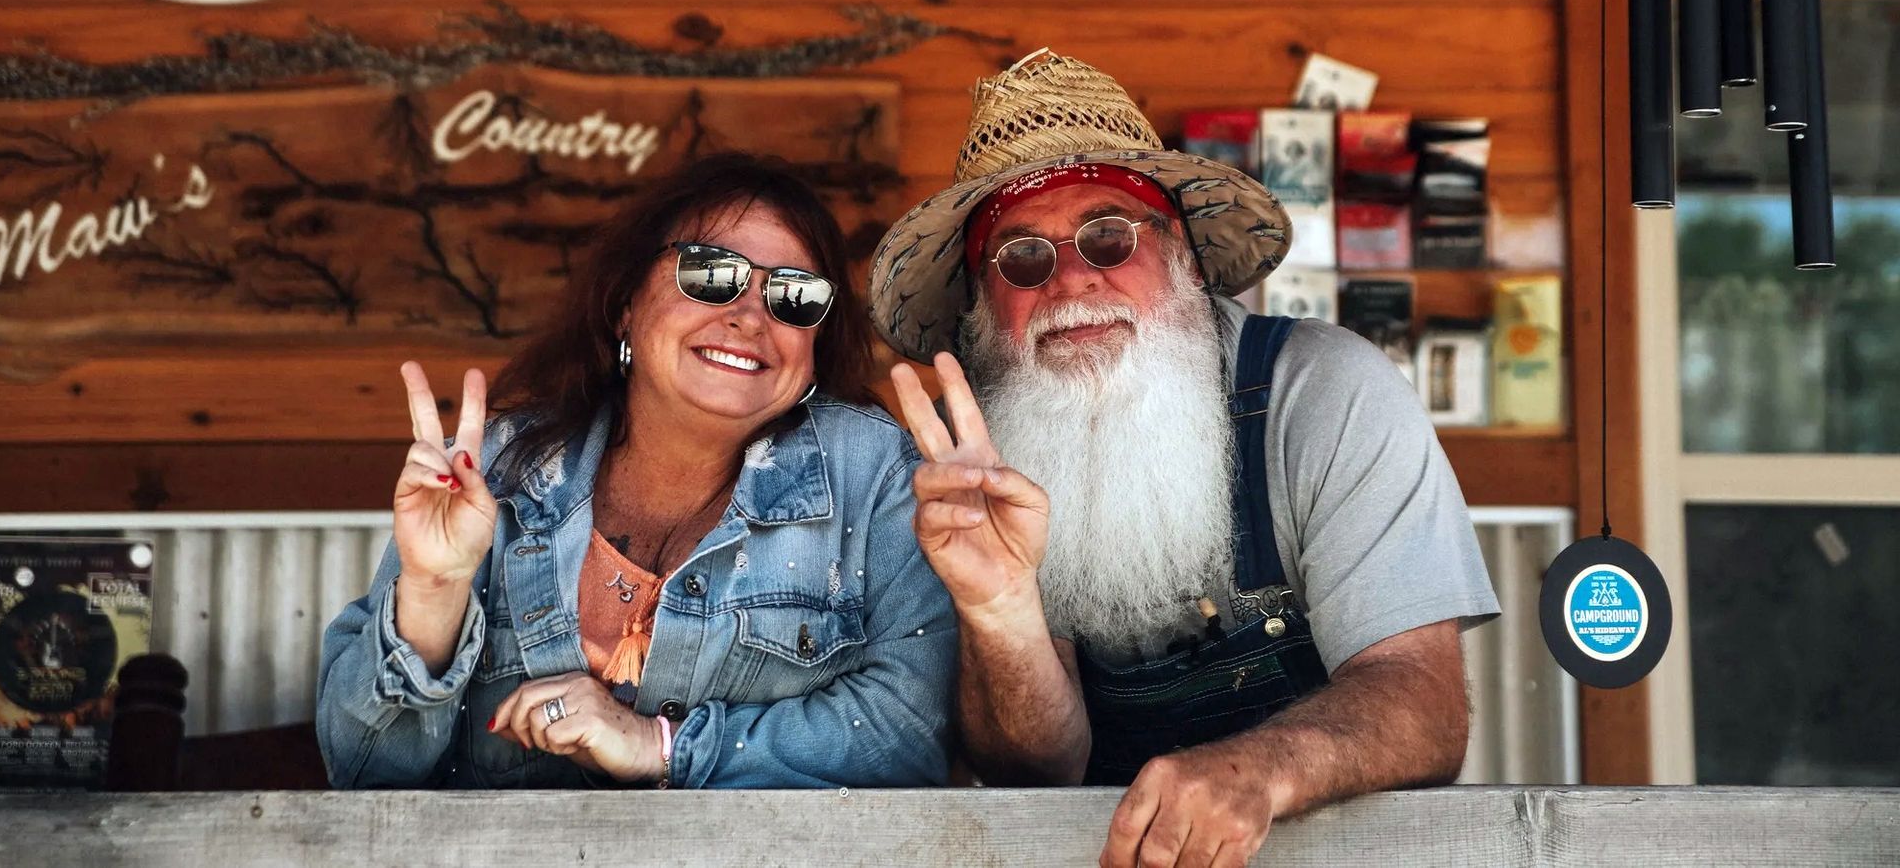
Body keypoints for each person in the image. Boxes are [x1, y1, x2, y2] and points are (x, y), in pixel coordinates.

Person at [872, 51, 1499, 866]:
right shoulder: (987, 454)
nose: (1069, 283)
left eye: (1107, 237)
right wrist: (1002, 613)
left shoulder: (1325, 392)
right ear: (985, 306)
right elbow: (1034, 767)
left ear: (1186, 260)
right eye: (1022, 257)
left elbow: (1424, 703)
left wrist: (1258, 771)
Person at [318, 153, 955, 788]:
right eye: (710, 273)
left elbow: (911, 734)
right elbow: (363, 773)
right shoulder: (497, 472)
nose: (751, 317)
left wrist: (664, 744)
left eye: (795, 295)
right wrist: (434, 590)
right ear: (626, 302)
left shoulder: (870, 475)